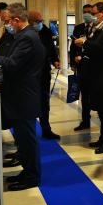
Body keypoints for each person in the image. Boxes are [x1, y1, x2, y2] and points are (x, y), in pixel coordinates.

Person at [0, 3, 45, 191]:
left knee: (27, 140)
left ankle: (32, 177)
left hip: (23, 96)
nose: (7, 25)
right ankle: (27, 171)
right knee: (23, 141)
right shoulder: (23, 35)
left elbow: (13, 63)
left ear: (17, 20)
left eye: (9, 21)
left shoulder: (27, 37)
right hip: (19, 94)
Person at [74, 2, 103, 154]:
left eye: (94, 13)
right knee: (101, 109)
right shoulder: (99, 28)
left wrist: (85, 42)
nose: (92, 16)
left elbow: (102, 48)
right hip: (97, 74)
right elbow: (94, 46)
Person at [28, 10, 61, 140]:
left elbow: (51, 47)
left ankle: (46, 129)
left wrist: (55, 59)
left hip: (43, 72)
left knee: (44, 102)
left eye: (41, 21)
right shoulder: (24, 33)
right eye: (37, 21)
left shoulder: (45, 31)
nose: (40, 23)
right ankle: (29, 133)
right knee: (29, 102)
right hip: (29, 74)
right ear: (30, 21)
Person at [70, 4, 94, 131]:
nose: (87, 14)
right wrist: (73, 62)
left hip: (94, 66)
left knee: (94, 94)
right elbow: (73, 46)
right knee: (84, 95)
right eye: (85, 12)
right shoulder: (78, 28)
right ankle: (85, 120)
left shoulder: (97, 28)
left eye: (90, 12)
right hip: (81, 66)